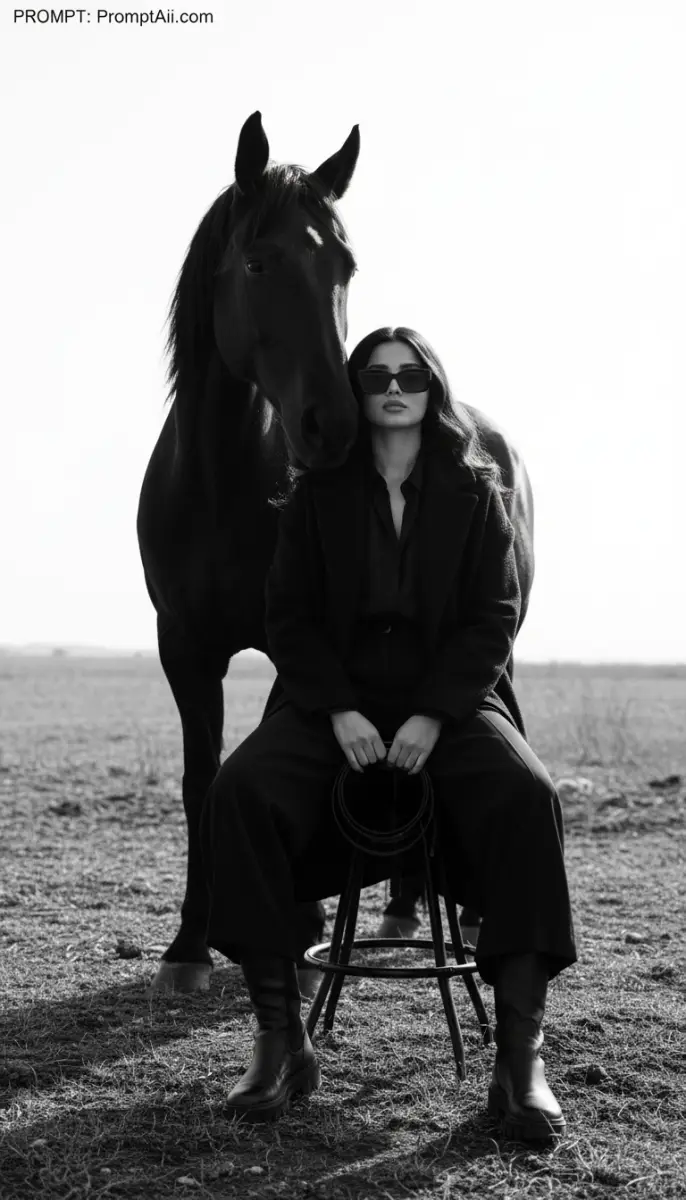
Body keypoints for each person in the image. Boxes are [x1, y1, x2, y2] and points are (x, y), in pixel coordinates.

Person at [200, 327, 577, 1136]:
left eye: (411, 375)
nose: (394, 387)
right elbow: (288, 617)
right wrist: (336, 708)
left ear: (434, 387)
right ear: (356, 389)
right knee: (240, 791)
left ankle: (519, 1064)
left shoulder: (478, 490)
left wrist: (435, 713)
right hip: (328, 704)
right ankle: (279, 1042)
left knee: (528, 795)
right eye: (376, 375)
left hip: (452, 703)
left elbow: (494, 619)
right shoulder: (314, 490)